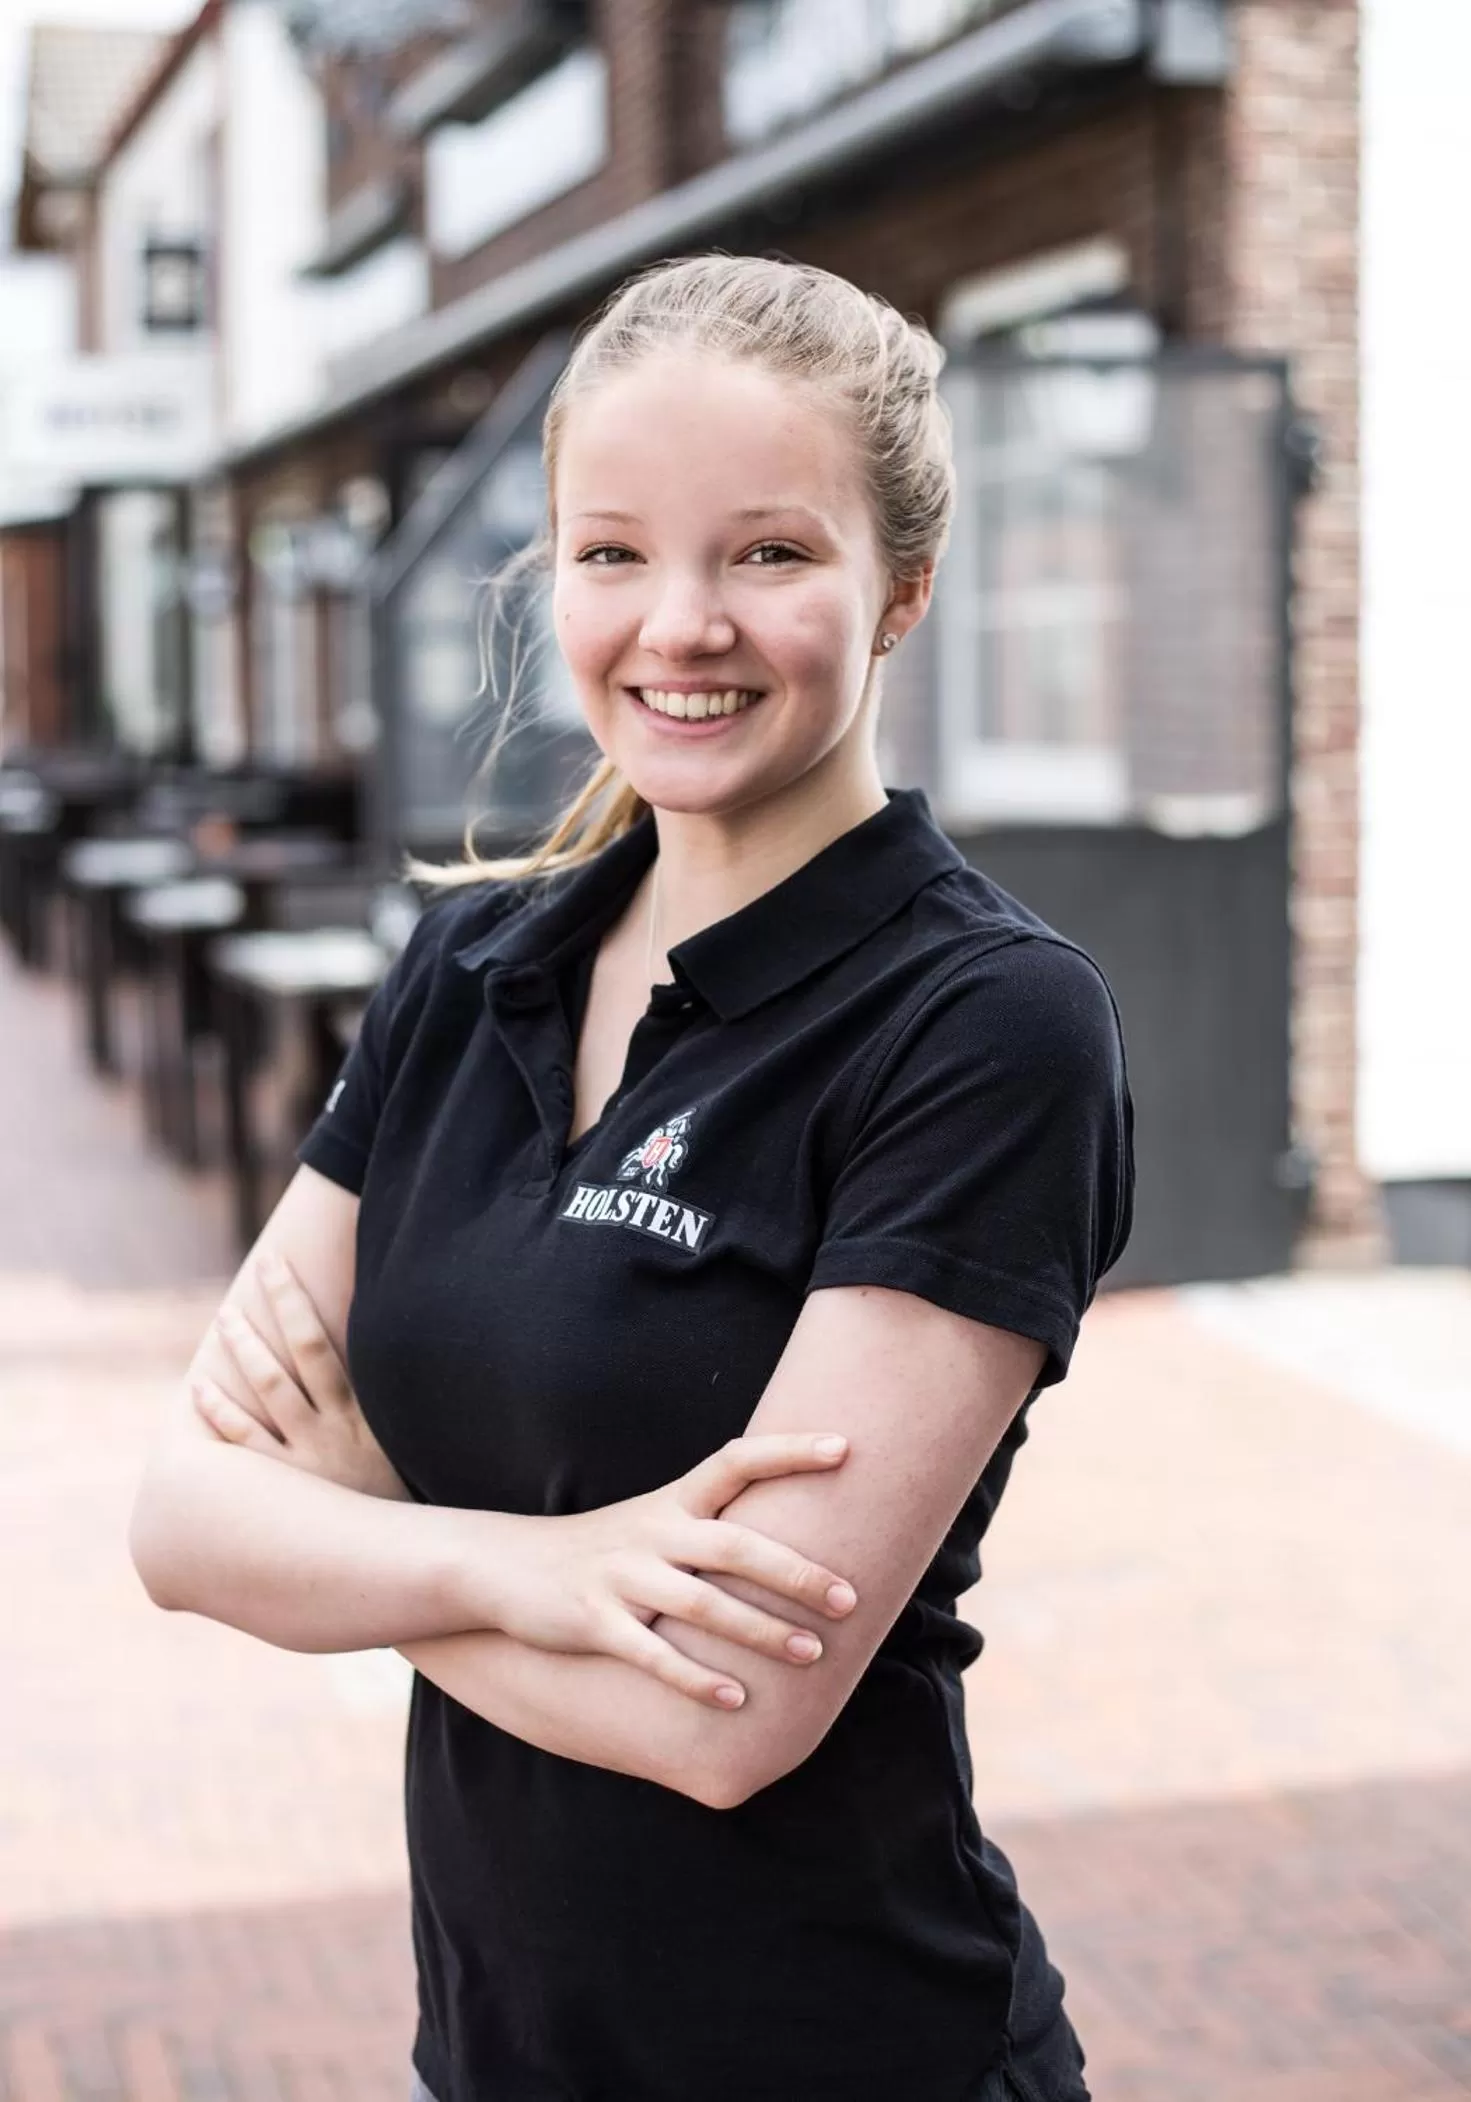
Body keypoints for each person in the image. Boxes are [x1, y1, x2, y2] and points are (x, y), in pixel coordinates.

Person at [130, 254, 1133, 2102]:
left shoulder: (984, 1026)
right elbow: (184, 1524)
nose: (679, 624)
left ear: (898, 587)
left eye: (766, 553)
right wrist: (550, 1568)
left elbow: (728, 1713)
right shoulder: (467, 967)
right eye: (611, 553)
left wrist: (360, 1519)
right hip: (499, 2058)